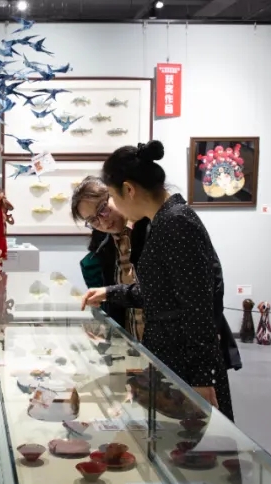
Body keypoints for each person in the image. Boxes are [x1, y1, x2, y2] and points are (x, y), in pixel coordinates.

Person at [81, 141, 234, 420]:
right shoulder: (162, 221)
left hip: (186, 365)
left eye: (112, 197)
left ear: (129, 190)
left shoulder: (176, 223)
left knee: (196, 441)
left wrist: (202, 378)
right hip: (170, 357)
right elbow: (158, 293)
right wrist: (110, 292)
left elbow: (197, 308)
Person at [70, 176, 147, 340]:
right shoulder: (107, 248)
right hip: (137, 342)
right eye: (93, 220)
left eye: (102, 208)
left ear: (115, 195)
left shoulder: (148, 230)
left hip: (164, 342)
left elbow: (157, 293)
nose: (103, 222)